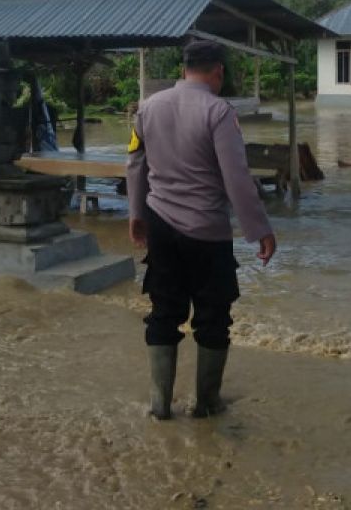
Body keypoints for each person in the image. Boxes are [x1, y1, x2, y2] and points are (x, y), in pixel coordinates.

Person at [126, 40, 277, 420]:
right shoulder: (219, 111)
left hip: (160, 225)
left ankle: (159, 405)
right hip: (207, 231)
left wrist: (135, 213)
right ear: (218, 73)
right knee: (212, 317)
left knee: (164, 310)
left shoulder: (148, 107)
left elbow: (135, 163)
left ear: (183, 69)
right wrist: (259, 228)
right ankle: (206, 404)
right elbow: (237, 178)